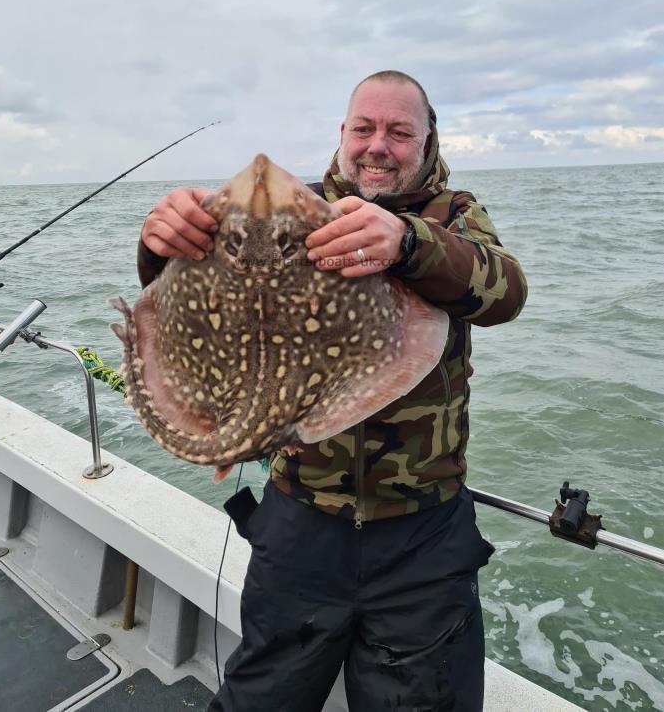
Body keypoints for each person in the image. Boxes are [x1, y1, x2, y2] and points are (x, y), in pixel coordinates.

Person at [137, 71, 528, 712]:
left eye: (400, 132)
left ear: (428, 140)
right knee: (261, 695)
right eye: (364, 128)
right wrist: (162, 246)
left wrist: (407, 243)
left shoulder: (452, 214)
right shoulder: (298, 205)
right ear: (342, 134)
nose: (379, 145)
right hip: (300, 519)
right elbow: (192, 305)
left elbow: (504, 292)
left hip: (423, 534)